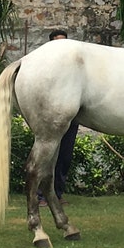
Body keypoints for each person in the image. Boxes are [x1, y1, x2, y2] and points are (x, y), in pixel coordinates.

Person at [47, 29, 79, 201]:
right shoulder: (46, 68)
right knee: (48, 155)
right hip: (52, 120)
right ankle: (42, 194)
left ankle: (58, 193)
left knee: (65, 157)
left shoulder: (71, 69)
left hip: (70, 120)